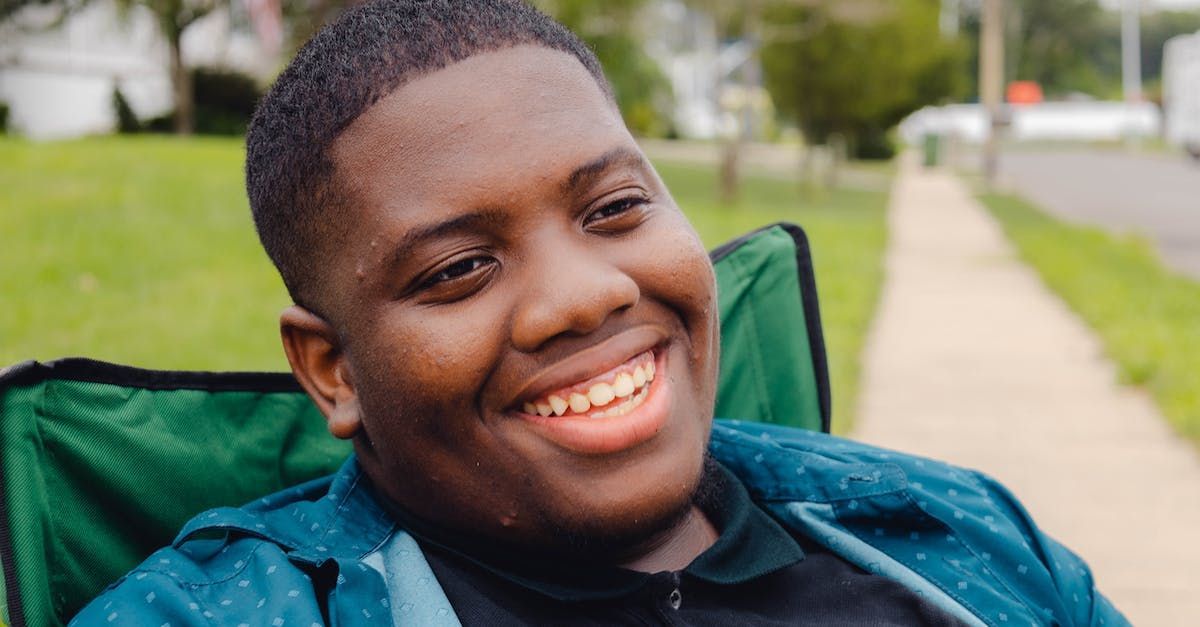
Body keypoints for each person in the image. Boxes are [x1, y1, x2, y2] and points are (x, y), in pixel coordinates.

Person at [71, 1, 1128, 625]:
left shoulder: (955, 532)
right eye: (458, 271)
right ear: (332, 370)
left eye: (615, 209)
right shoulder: (221, 612)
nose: (586, 294)